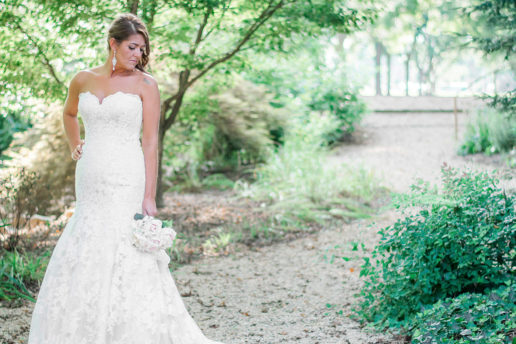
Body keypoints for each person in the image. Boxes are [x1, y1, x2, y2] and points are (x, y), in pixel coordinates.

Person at [27, 13, 225, 344]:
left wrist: (149, 195)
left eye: (142, 51)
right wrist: (75, 143)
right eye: (132, 47)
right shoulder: (82, 79)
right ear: (113, 44)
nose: (137, 55)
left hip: (126, 177)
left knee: (124, 243)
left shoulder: (147, 85)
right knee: (87, 237)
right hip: (89, 177)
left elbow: (150, 142)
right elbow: (69, 113)